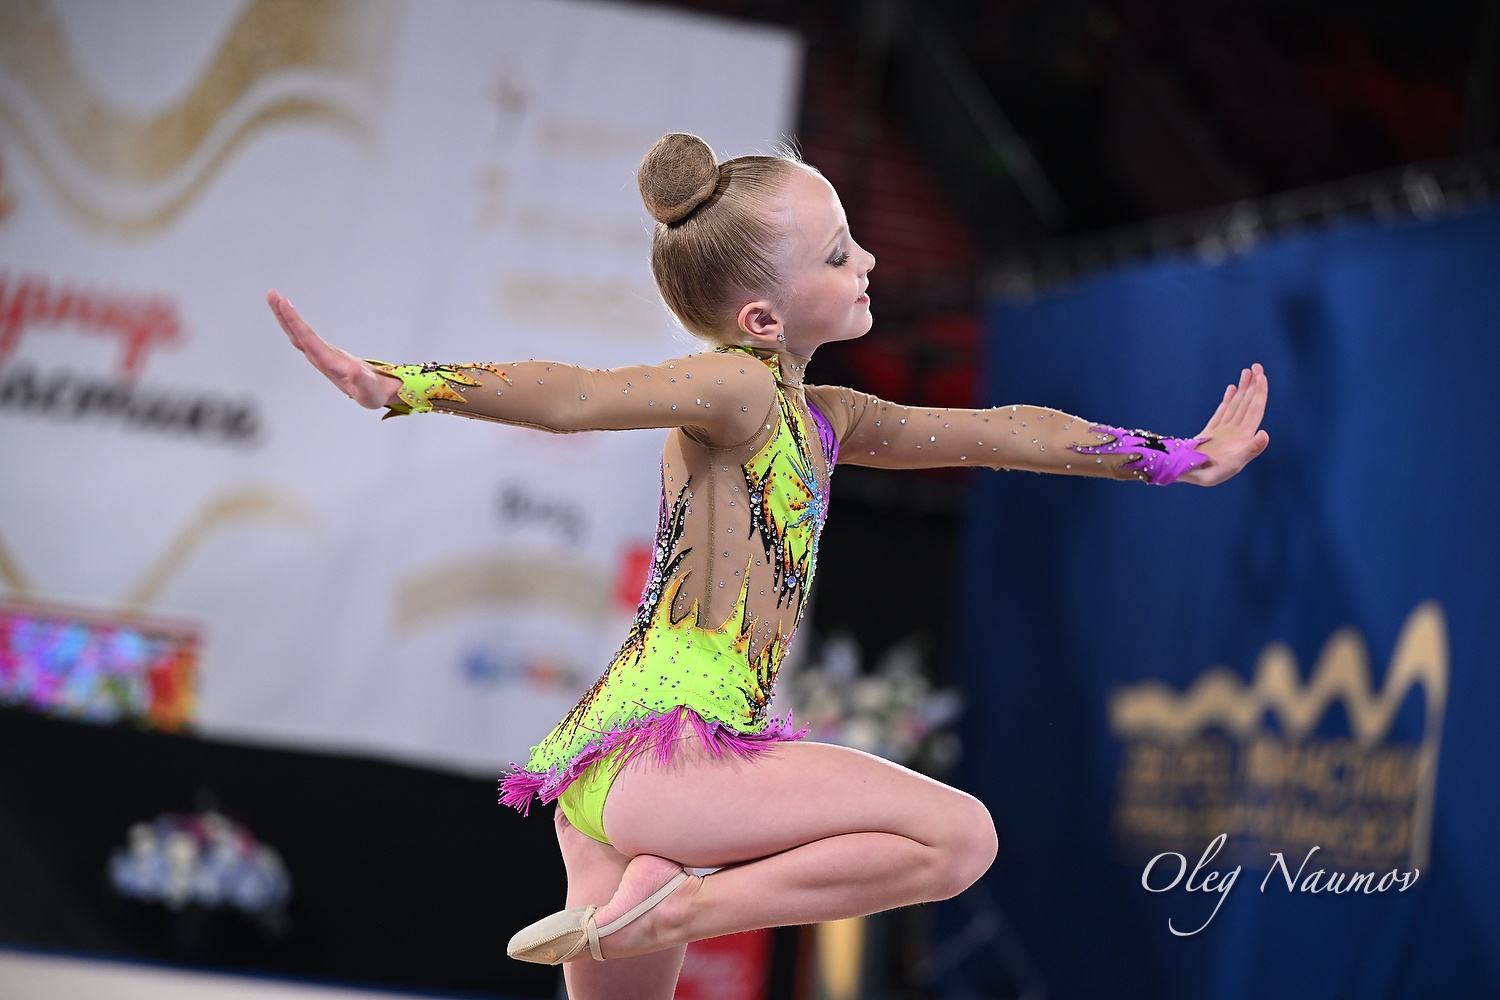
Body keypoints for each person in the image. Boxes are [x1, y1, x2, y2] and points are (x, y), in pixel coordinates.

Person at [268, 132, 1268, 1000]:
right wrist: (402, 384)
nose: (870, 257)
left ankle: (658, 896)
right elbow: (577, 393)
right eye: (839, 253)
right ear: (761, 320)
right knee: (958, 839)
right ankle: (674, 907)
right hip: (673, 753)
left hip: (614, 774)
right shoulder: (737, 392)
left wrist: (1173, 457)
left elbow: (1004, 429)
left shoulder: (824, 417)